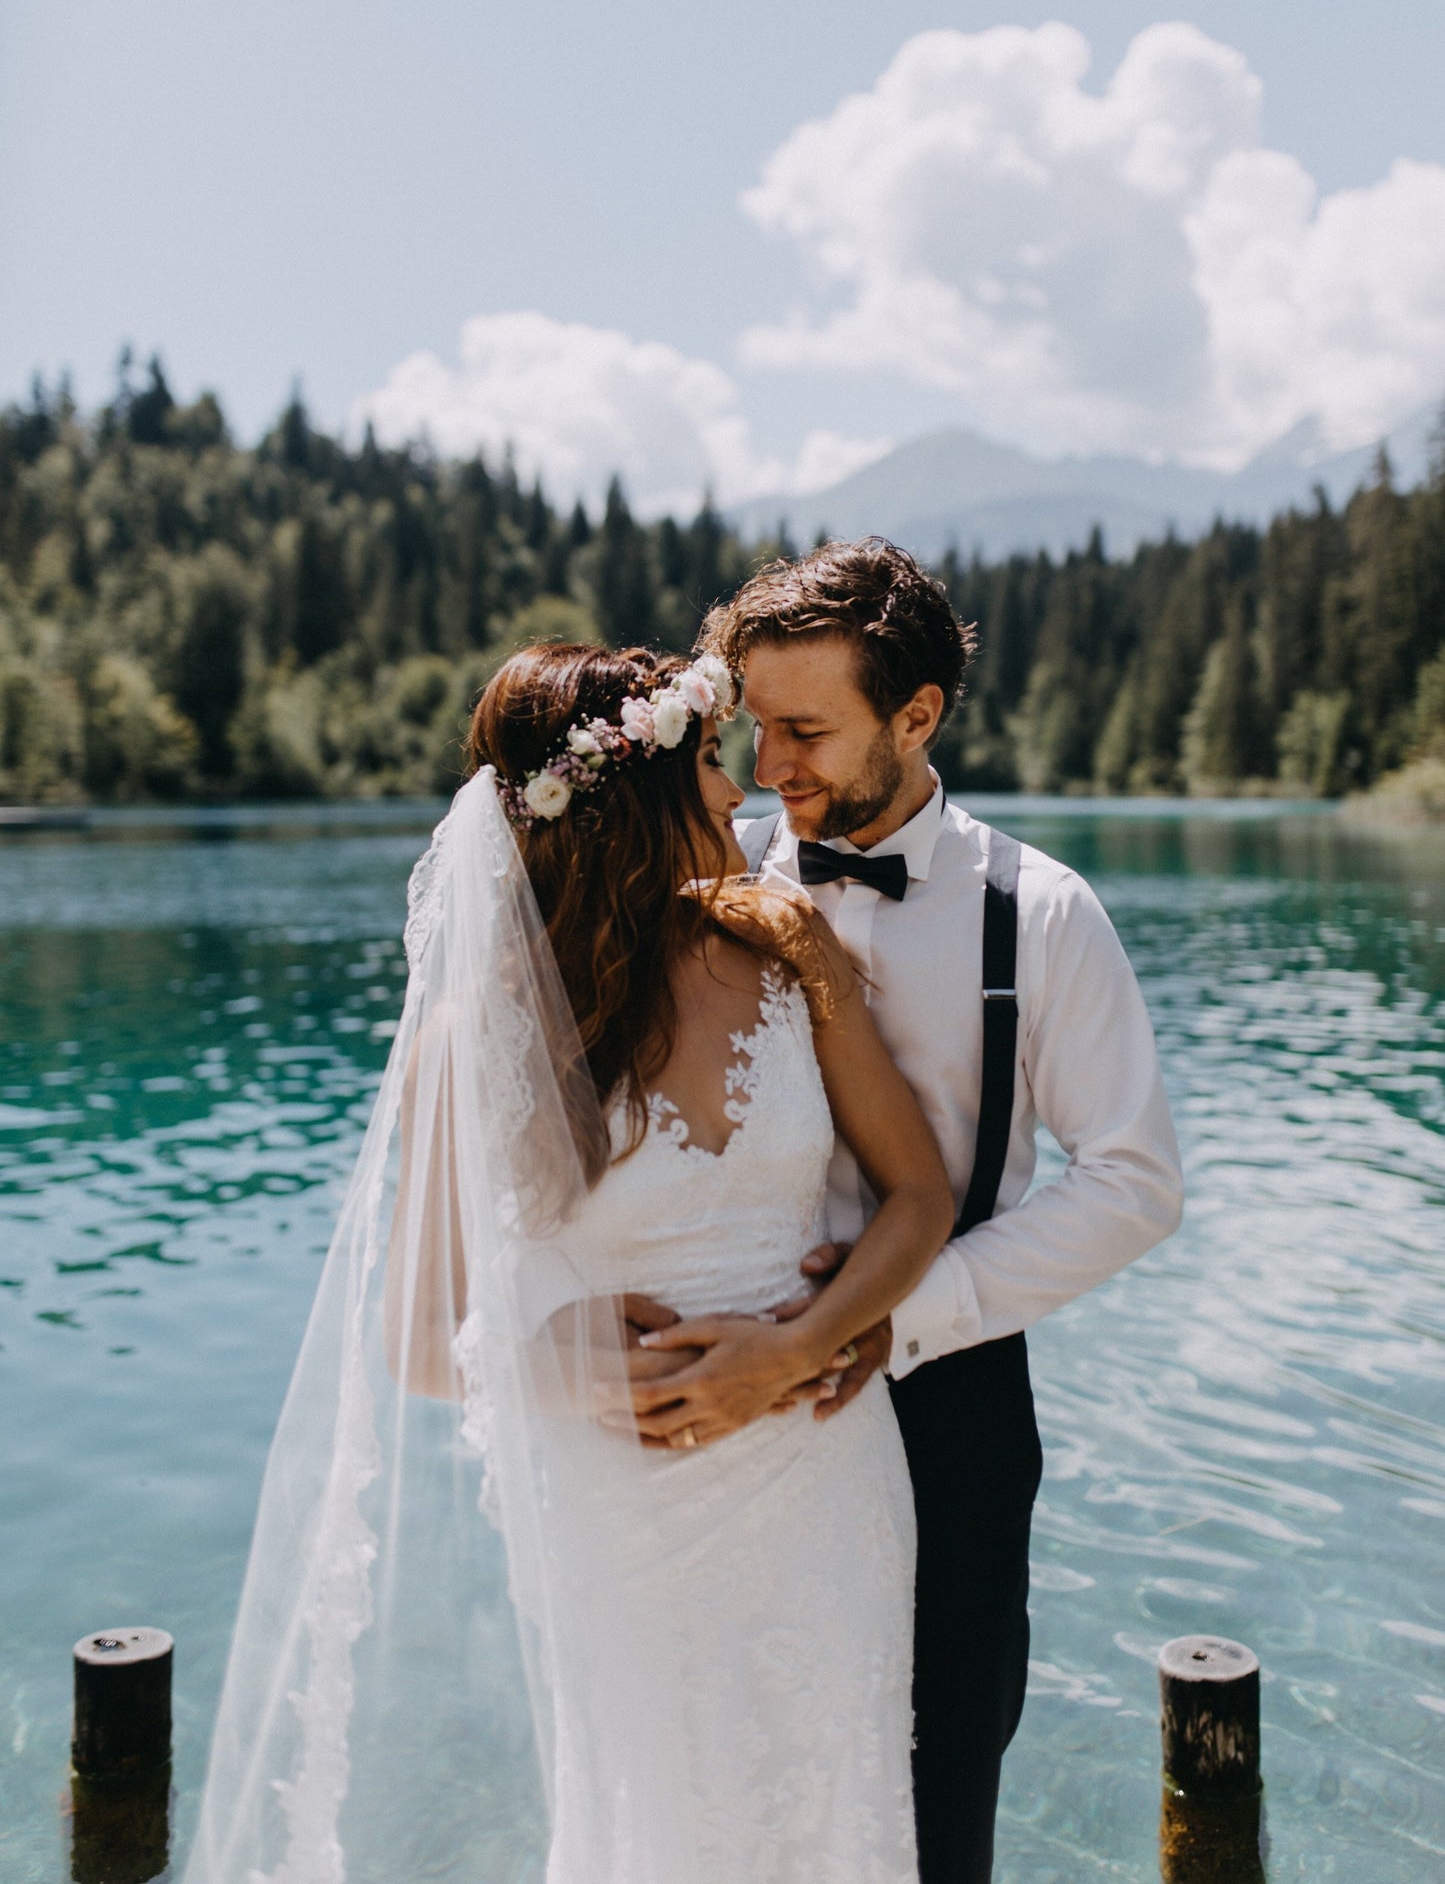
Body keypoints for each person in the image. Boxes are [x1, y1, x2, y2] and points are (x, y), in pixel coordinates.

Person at [184, 640, 954, 1884]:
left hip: (823, 1484)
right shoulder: (475, 1037)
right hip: (626, 1516)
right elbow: (418, 1342)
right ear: (627, 803)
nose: (736, 794)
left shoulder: (783, 955)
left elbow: (919, 1194)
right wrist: (546, 1354)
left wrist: (798, 1346)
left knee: (838, 1806)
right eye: (707, 761)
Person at [628, 539, 1185, 1884]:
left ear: (917, 715)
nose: (771, 771)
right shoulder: (706, 879)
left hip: (951, 1413)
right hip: (727, 1415)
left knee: (937, 1813)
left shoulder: (1040, 916)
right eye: (756, 730)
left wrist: (901, 1316)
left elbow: (1134, 1181)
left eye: (808, 732)